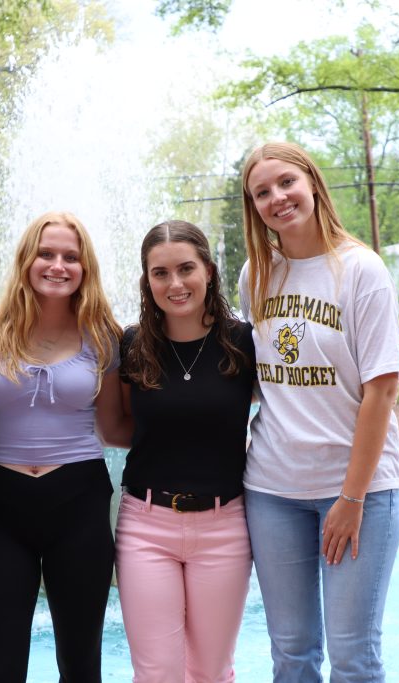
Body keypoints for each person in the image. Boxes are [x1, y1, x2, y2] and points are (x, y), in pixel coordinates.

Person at [238, 142, 399, 682]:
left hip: (358, 491)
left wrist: (352, 498)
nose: (277, 198)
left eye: (286, 182)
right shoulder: (256, 275)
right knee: (291, 651)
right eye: (261, 192)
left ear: (311, 182)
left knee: (353, 654)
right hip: (272, 490)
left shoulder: (361, 270)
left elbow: (381, 391)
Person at [0, 211, 126, 682]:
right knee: (1, 665)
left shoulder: (103, 335)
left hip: (80, 505)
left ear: (85, 267)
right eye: (47, 254)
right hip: (2, 509)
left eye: (70, 257)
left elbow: (113, 428)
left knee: (80, 663)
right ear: (26, 260)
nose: (58, 265)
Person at [116, 220, 256, 682]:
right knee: (157, 673)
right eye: (160, 273)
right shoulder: (133, 346)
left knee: (212, 672)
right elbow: (117, 426)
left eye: (185, 269)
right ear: (147, 280)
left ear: (209, 271)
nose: (174, 284)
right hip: (145, 527)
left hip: (225, 527)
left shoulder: (242, 343)